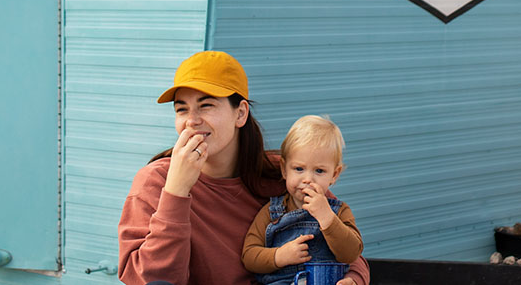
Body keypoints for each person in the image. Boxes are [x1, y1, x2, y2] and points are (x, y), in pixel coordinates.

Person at [118, 51, 369, 285]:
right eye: (182, 109)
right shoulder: (155, 182)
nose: (192, 121)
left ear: (240, 114)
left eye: (206, 105)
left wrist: (353, 279)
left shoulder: (283, 172)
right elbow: (152, 279)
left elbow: (345, 244)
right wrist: (176, 191)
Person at [241, 116, 363, 284]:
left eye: (319, 171)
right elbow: (249, 256)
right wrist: (279, 256)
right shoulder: (272, 212)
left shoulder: (339, 211)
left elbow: (351, 253)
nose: (307, 179)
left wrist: (327, 217)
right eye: (299, 169)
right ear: (284, 169)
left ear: (334, 175)